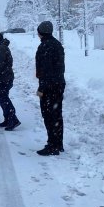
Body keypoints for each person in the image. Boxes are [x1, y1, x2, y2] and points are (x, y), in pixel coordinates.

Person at [35, 21, 66, 156]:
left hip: (49, 86)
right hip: (58, 84)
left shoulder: (45, 46)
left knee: (49, 115)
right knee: (56, 115)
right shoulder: (56, 44)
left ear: (41, 32)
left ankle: (52, 145)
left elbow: (46, 70)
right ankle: (58, 144)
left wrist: (42, 88)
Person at [0, 32, 21, 131]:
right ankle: (8, 119)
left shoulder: (1, 48)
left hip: (2, 79)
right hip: (3, 78)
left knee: (4, 100)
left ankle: (13, 120)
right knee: (3, 99)